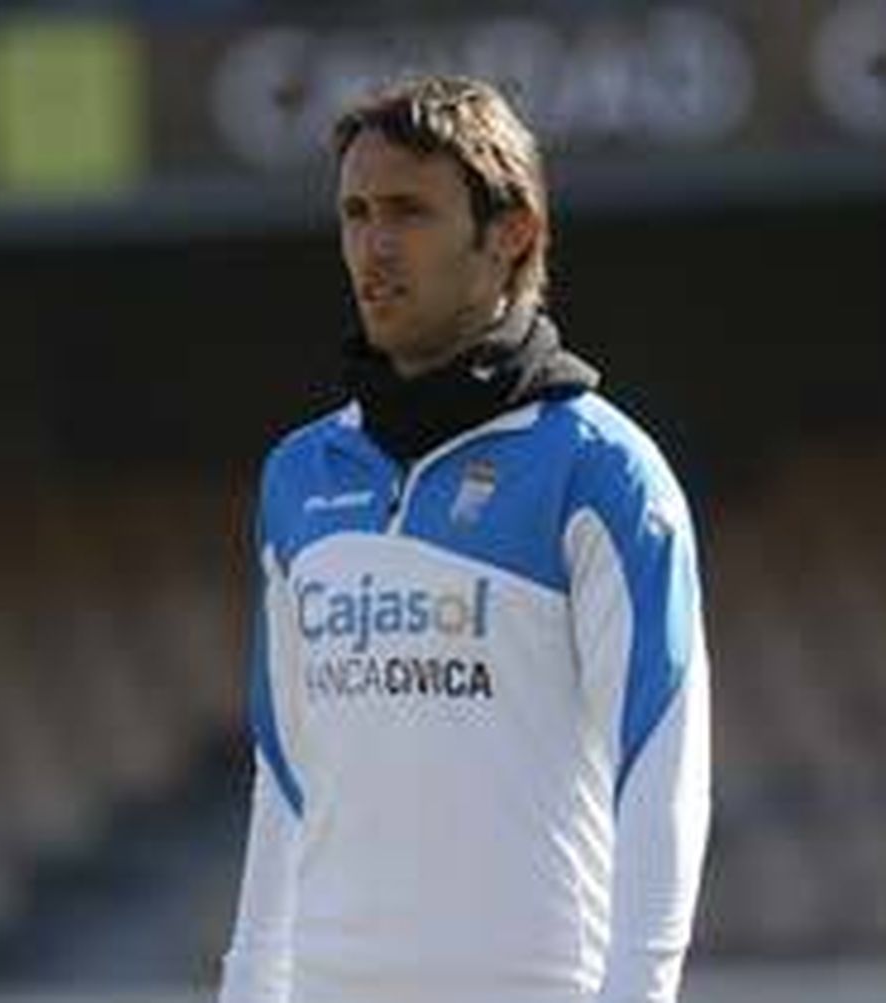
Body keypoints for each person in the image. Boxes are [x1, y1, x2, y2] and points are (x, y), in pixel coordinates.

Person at [219, 74, 712, 1003]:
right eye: (356, 212)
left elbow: (663, 767)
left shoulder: (602, 471)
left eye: (410, 210)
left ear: (511, 232)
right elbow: (284, 772)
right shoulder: (298, 475)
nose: (374, 244)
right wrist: (248, 986)